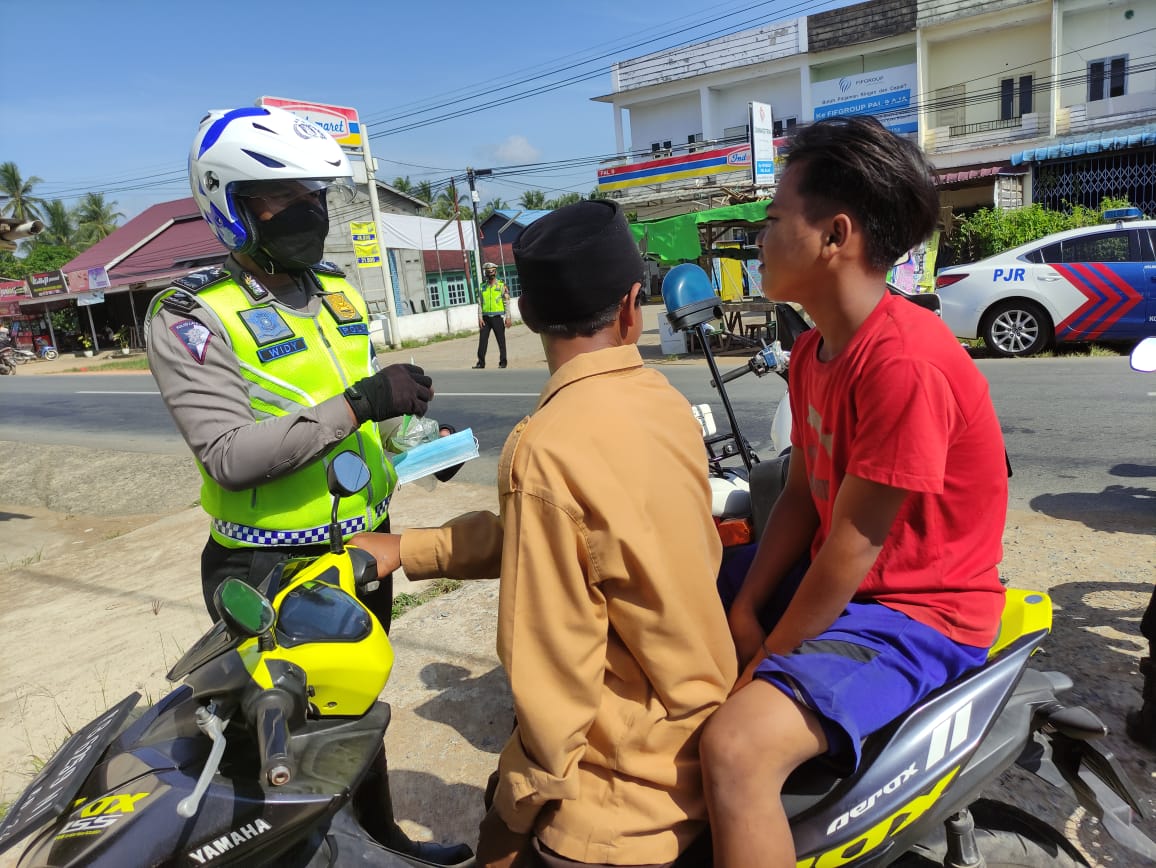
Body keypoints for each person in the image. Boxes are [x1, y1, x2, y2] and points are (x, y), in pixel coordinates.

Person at [351, 199, 737, 868]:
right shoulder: (663, 402)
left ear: (526, 317)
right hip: (699, 734)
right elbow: (572, 538)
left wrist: (511, 813)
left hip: (623, 798)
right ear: (632, 306)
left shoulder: (547, 448)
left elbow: (556, 677)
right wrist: (411, 550)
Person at [146, 104, 469, 866]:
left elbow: (371, 428)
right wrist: (360, 401)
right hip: (268, 569)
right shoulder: (191, 315)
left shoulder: (337, 293)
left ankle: (380, 842)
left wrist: (419, 441)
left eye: (316, 196)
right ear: (228, 204)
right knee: (284, 743)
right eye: (284, 199)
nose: (309, 213)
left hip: (361, 553)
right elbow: (227, 452)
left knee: (357, 712)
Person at [699, 116, 1009, 868]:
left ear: (835, 236)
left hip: (917, 612)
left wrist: (766, 651)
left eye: (773, 220)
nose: (757, 239)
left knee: (735, 750)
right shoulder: (812, 349)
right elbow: (802, 500)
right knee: (672, 587)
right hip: (844, 583)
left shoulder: (903, 363)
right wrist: (742, 608)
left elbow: (854, 546)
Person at [473, 261, 511, 369]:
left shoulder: (501, 286)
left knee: (501, 341)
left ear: (495, 272)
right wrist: (480, 318)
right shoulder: (482, 287)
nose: (490, 274)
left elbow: (506, 302)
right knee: (482, 341)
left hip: (497, 318)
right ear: (485, 273)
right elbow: (480, 303)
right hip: (485, 318)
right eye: (488, 272)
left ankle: (503, 362)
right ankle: (481, 363)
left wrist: (508, 317)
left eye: (492, 271)